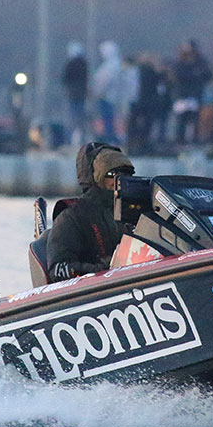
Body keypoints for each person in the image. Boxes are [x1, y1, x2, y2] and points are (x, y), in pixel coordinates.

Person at [46, 145, 134, 281]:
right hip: (98, 288)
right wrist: (102, 270)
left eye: (125, 174)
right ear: (97, 178)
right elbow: (58, 269)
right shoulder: (72, 216)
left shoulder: (136, 211)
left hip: (136, 279)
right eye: (112, 175)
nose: (119, 180)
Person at [62, 41, 89, 145]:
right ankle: (81, 138)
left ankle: (69, 140)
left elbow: (65, 79)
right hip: (81, 94)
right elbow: (86, 79)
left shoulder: (70, 64)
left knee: (71, 117)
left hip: (72, 94)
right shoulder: (83, 64)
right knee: (80, 116)